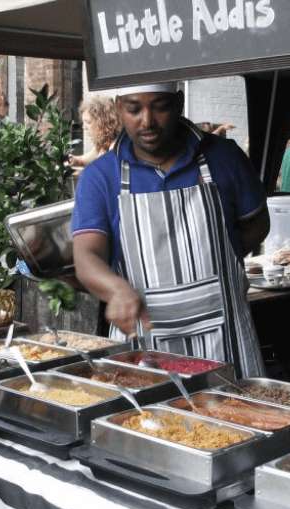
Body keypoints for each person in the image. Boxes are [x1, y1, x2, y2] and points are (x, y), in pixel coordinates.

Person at [72, 83, 269, 378]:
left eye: (160, 106)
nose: (147, 121)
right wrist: (116, 289)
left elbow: (257, 224)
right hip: (142, 345)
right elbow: (86, 255)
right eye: (134, 108)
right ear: (118, 108)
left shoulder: (224, 158)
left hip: (225, 338)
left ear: (179, 103)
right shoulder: (101, 176)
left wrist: (217, 261)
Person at [68, 95, 121, 170]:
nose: (84, 127)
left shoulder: (115, 148)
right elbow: (85, 159)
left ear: (103, 122)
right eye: (83, 123)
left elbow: (102, 173)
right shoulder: (103, 144)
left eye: (88, 122)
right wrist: (74, 160)